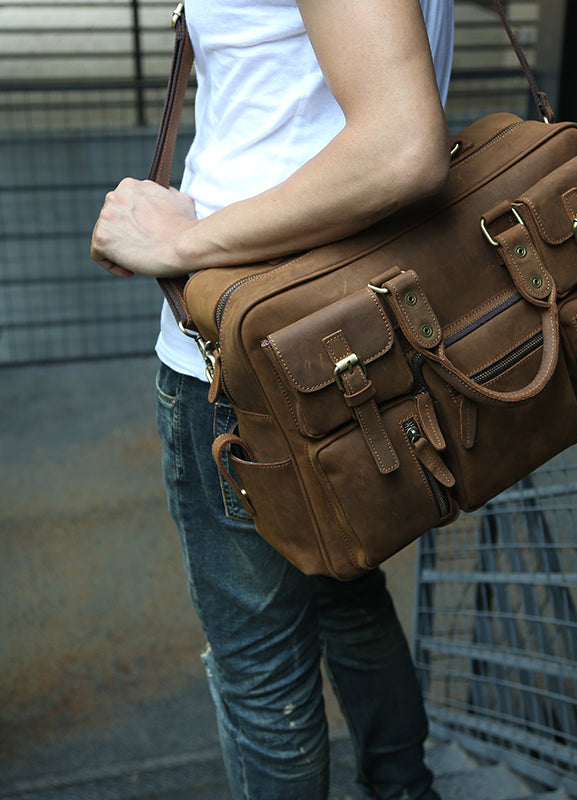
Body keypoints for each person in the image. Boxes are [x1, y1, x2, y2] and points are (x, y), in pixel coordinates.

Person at [90, 1, 454, 798]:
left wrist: (181, 243)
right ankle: (404, 788)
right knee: (343, 589)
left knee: (261, 666)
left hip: (246, 348)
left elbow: (402, 147)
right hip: (351, 316)